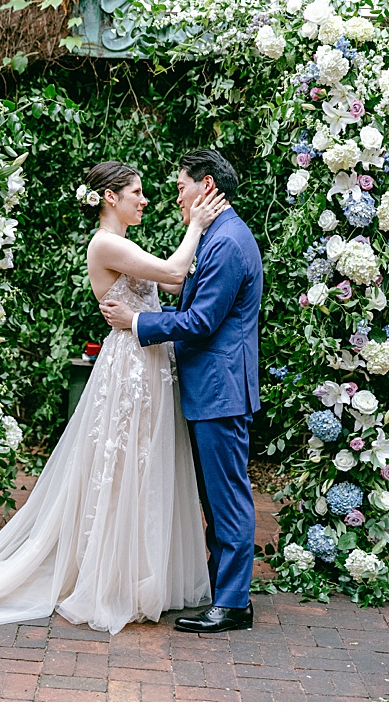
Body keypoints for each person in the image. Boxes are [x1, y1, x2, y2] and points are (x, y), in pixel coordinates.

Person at [0, 160, 230, 639]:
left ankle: (138, 573)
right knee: (121, 468)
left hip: (148, 360)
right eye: (136, 191)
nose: (145, 199)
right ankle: (113, 579)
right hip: (130, 367)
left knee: (144, 465)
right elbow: (176, 269)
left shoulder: (125, 243)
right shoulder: (106, 243)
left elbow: (175, 282)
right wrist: (198, 223)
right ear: (110, 197)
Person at [101, 149, 263, 634]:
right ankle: (226, 593)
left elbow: (202, 320)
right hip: (208, 386)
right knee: (216, 499)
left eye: (179, 188)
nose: (174, 197)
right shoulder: (214, 236)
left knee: (228, 499)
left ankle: (233, 605)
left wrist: (137, 322)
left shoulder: (229, 242)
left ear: (205, 186)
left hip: (220, 388)